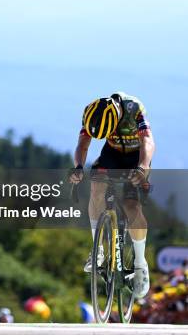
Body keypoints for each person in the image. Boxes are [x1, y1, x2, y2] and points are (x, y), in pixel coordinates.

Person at [69, 92, 155, 299]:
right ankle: (97, 249)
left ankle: (140, 264)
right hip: (112, 154)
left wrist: (143, 167)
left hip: (137, 157)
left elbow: (148, 142)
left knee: (131, 206)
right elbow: (83, 143)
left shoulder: (134, 108)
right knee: (96, 187)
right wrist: (79, 167)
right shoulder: (92, 112)